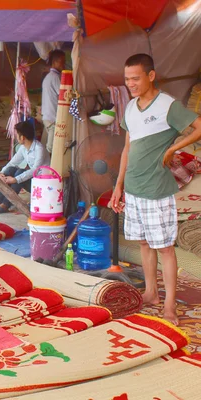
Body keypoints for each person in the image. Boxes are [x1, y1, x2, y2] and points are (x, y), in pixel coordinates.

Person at [110, 53, 201, 326]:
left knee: (165, 249)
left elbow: (198, 127)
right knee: (143, 242)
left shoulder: (167, 105)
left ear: (151, 76)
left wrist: (173, 148)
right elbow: (127, 148)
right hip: (134, 188)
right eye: (127, 80)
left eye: (135, 78)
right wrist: (118, 186)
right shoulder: (129, 107)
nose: (131, 84)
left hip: (157, 189)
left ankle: (170, 305)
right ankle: (151, 293)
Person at [0, 121, 50, 213]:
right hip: (33, 180)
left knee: (20, 173)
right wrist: (2, 173)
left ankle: (5, 204)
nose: (16, 137)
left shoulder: (39, 149)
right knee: (10, 170)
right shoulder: (23, 148)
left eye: (17, 135)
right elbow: (12, 163)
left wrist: (15, 179)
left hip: (40, 185)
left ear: (22, 137)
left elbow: (35, 170)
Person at [41, 49, 66, 154]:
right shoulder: (55, 77)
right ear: (55, 62)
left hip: (47, 116)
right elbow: (63, 95)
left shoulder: (48, 77)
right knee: (51, 148)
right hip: (53, 117)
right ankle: (49, 168)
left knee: (48, 146)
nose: (64, 65)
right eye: (62, 62)